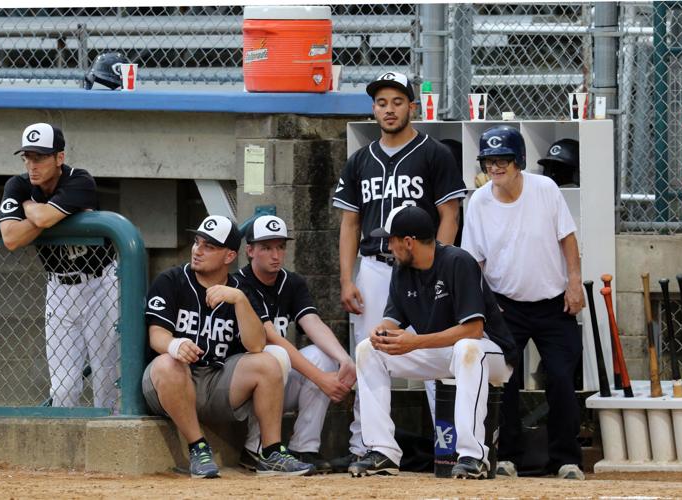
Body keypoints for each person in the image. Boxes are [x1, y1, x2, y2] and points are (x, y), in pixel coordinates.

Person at [332, 71, 467, 469]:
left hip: (423, 267)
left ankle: (452, 445)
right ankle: (369, 446)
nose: (388, 110)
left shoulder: (435, 153)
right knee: (369, 353)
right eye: (381, 103)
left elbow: (450, 214)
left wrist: (439, 263)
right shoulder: (360, 160)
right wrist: (346, 278)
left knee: (435, 355)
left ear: (413, 106)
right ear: (373, 109)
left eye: (396, 102)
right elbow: (350, 223)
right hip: (374, 268)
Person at [348, 205, 517, 479]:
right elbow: (393, 320)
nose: (387, 246)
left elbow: (473, 329)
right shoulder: (402, 269)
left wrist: (414, 342)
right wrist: (382, 332)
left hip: (491, 354)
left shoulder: (457, 261)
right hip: (441, 352)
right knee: (368, 349)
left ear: (408, 242)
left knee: (467, 349)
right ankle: (383, 451)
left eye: (390, 240)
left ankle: (473, 456)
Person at [142, 215, 314, 478]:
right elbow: (157, 335)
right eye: (197, 242)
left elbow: (257, 345)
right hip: (172, 382)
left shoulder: (242, 289)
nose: (197, 251)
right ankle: (198, 448)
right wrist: (175, 345)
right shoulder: (171, 280)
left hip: (216, 382)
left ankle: (270, 453)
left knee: (268, 362)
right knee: (168, 363)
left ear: (229, 256)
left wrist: (240, 301)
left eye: (209, 247)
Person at [460, 125, 586, 480]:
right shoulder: (479, 202)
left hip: (553, 302)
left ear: (519, 162)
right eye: (489, 161)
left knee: (561, 377)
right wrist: (485, 305)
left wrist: (574, 284)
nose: (496, 168)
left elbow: (568, 238)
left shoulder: (544, 189)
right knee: (505, 381)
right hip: (505, 305)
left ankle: (566, 459)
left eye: (503, 160)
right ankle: (507, 456)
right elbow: (474, 262)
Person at [0, 123, 118, 409]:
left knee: (107, 381)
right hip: (59, 288)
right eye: (27, 157)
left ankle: (109, 451)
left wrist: (31, 209)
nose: (31, 166)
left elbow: (45, 219)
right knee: (63, 389)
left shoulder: (80, 180)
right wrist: (41, 215)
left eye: (39, 157)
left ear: (59, 158)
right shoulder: (18, 184)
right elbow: (11, 238)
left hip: (101, 284)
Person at [237, 215, 356, 473]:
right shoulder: (240, 283)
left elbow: (311, 321)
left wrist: (344, 359)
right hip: (239, 385)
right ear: (250, 251)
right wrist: (322, 379)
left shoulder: (291, 282)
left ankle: (304, 448)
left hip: (274, 380)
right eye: (266, 248)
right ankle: (254, 448)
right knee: (273, 354)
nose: (275, 255)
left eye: (280, 246)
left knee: (322, 356)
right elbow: (271, 336)